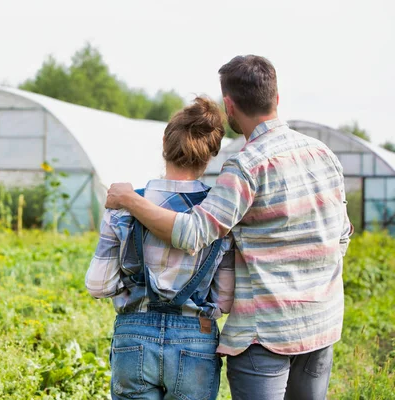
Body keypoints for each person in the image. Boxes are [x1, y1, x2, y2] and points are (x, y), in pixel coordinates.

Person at [104, 55, 353, 400]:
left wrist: (130, 200)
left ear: (229, 105)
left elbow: (192, 234)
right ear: (276, 98)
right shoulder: (323, 154)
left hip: (265, 334)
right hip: (321, 324)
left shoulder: (247, 165)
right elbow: (342, 235)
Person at [86, 96, 235, 400]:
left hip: (133, 333)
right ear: (209, 155)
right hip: (196, 339)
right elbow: (226, 299)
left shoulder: (124, 205)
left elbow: (98, 285)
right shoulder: (219, 215)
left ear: (166, 143)